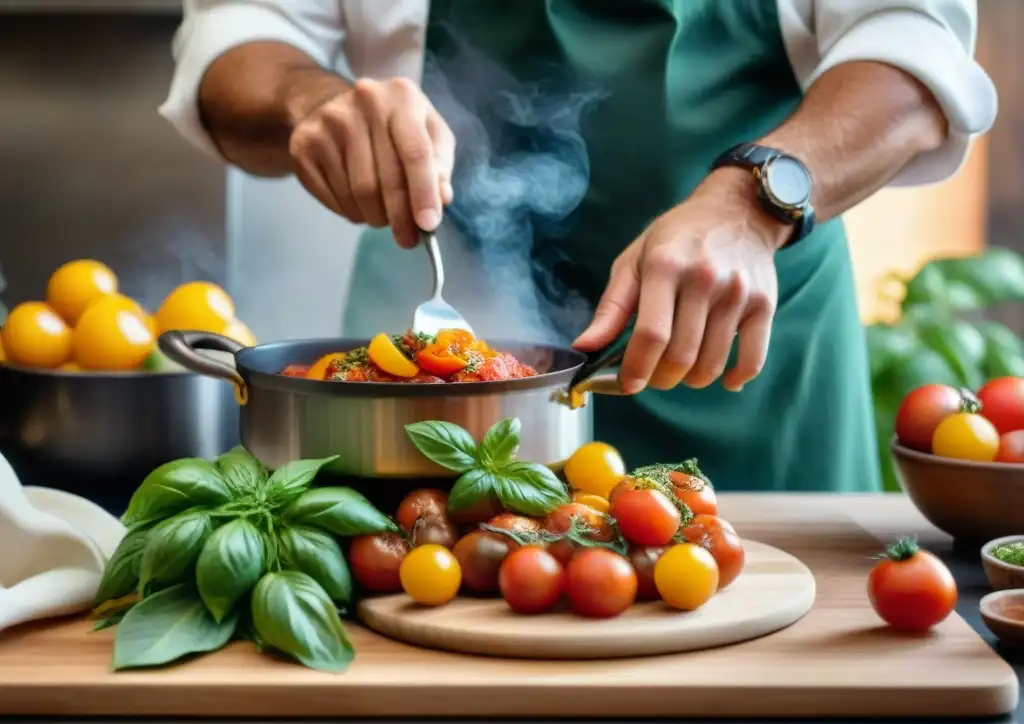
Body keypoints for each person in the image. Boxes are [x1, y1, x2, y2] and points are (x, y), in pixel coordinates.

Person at [161, 0, 996, 492]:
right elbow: (242, 28)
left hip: (749, 345)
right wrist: (311, 103)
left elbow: (912, 43)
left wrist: (755, 200)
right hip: (436, 368)